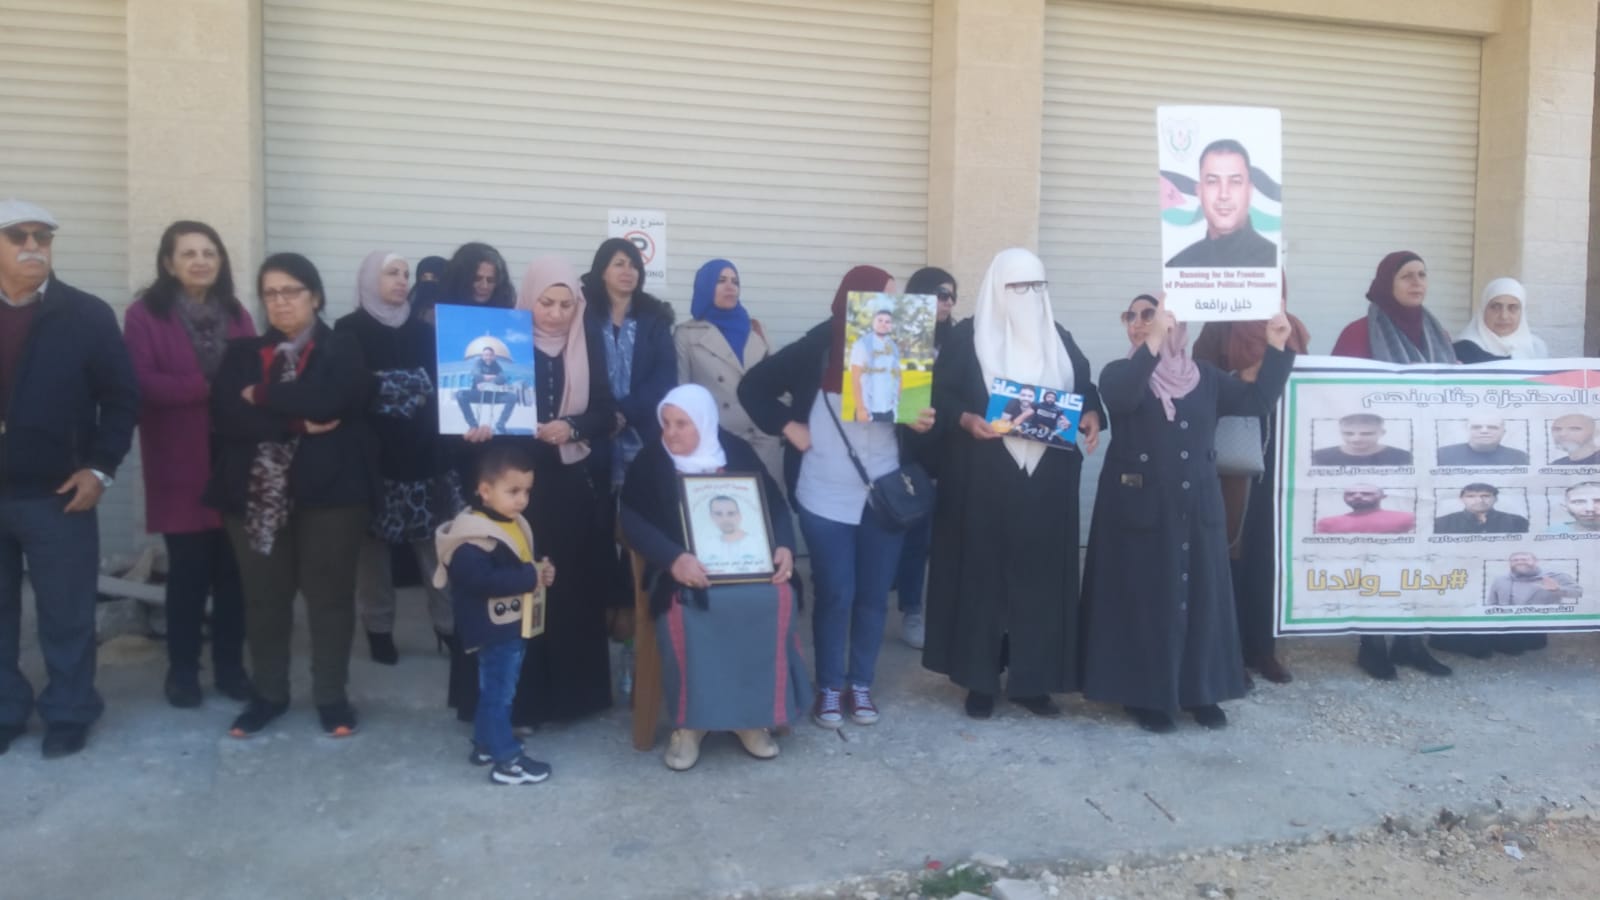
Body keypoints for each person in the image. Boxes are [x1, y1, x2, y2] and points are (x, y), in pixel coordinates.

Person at [1080, 293, 1292, 733]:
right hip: (1138, 511)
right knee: (1145, 600)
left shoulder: (1205, 377)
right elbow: (1122, 398)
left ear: (1177, 324)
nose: (1139, 322)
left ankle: (1201, 692)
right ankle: (1146, 697)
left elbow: (1255, 402)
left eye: (1150, 315)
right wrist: (1152, 343)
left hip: (1197, 508)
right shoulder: (1119, 372)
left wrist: (1276, 347)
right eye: (1132, 315)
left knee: (1200, 600)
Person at [738, 265, 936, 729]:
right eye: (883, 297)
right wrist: (788, 426)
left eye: (896, 299)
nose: (892, 308)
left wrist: (921, 421)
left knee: (873, 594)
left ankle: (860, 683)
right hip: (825, 492)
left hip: (884, 494)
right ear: (855, 299)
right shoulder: (818, 346)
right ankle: (829, 685)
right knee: (836, 592)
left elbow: (925, 415)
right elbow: (752, 387)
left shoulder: (906, 344)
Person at [922, 248, 1104, 719]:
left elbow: (1085, 387)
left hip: (1046, 481)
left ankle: (1032, 681)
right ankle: (979, 680)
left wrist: (1091, 414)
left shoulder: (1058, 337)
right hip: (982, 476)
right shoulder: (968, 338)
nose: (1029, 295)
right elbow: (937, 394)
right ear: (998, 288)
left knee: (1039, 581)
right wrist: (965, 419)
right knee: (982, 579)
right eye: (1018, 286)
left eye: (1037, 285)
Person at [207, 253, 377, 739]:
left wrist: (262, 396)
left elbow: (332, 401)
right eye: (271, 293)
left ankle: (331, 697)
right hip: (255, 497)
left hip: (332, 495)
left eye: (292, 291)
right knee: (264, 599)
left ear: (315, 296)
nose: (280, 302)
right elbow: (225, 417)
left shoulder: (343, 346)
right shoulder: (243, 354)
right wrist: (296, 423)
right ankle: (269, 694)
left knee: (330, 599)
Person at [449, 256, 619, 729]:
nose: (557, 314)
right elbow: (468, 406)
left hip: (564, 489)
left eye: (566, 304)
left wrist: (572, 426)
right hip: (508, 487)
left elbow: (607, 412)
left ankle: (566, 700)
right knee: (505, 586)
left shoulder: (587, 342)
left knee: (562, 590)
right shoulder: (505, 340)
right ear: (529, 299)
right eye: (546, 303)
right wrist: (476, 432)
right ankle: (511, 706)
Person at [0, 199, 138, 759]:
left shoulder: (85, 315)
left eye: (43, 236)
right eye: (18, 235)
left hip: (57, 495)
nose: (33, 246)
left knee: (66, 615)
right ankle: (5, 710)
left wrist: (100, 468)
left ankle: (69, 711)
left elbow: (122, 398)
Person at [620, 384, 808, 770]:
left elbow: (773, 502)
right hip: (681, 572)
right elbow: (631, 520)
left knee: (773, 597)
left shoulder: (734, 450)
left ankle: (751, 719)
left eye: (682, 424)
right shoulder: (652, 460)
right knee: (689, 605)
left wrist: (785, 546)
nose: (671, 433)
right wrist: (673, 559)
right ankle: (691, 726)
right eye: (666, 423)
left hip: (745, 566)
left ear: (703, 423)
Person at [124, 220, 256, 708]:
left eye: (209, 252)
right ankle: (182, 672)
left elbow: (255, 373)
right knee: (188, 573)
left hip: (235, 457)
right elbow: (140, 381)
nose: (200, 261)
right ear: (168, 263)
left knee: (233, 573)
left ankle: (230, 668)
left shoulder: (236, 312)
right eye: (188, 253)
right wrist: (208, 390)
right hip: (179, 460)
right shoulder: (144, 315)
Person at [1330, 251, 1456, 679]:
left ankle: (1410, 641)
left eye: (1422, 274)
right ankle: (1372, 644)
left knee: (1420, 549)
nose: (1417, 282)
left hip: (1426, 462)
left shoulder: (1438, 333)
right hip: (1377, 462)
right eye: (1407, 276)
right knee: (1376, 550)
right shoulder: (1358, 333)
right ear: (1387, 282)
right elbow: (1337, 395)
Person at [334, 251, 455, 665]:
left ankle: (447, 627)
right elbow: (353, 391)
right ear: (371, 279)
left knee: (436, 549)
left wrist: (384, 386)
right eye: (391, 273)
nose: (401, 280)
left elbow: (439, 387)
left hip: (424, 454)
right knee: (374, 557)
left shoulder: (425, 332)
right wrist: (409, 386)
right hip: (374, 459)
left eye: (405, 273)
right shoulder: (348, 329)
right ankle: (379, 630)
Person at [1191, 286, 1311, 685]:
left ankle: (1263, 648)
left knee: (1269, 551)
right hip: (1234, 457)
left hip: (1283, 449)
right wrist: (1240, 378)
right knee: (1232, 551)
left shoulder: (1292, 327)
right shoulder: (1220, 329)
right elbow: (1197, 381)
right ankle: (1230, 652)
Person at [434, 444, 556, 786]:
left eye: (527, 491)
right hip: (493, 629)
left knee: (495, 689)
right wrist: (529, 577)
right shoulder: (471, 536)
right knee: (500, 693)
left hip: (510, 624)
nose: (522, 500)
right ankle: (507, 760)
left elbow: (520, 563)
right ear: (484, 490)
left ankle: (485, 744)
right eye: (513, 491)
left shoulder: (511, 522)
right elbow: (479, 580)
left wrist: (540, 572)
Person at [891, 267, 959, 650]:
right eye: (939, 294)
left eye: (951, 296)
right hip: (908, 451)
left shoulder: (961, 339)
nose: (947, 303)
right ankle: (912, 611)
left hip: (952, 449)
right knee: (915, 537)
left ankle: (943, 613)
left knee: (947, 539)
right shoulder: (901, 336)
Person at [674, 258, 781, 484]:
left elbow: (778, 382)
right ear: (705, 286)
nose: (730, 287)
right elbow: (682, 394)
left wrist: (781, 424)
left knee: (768, 503)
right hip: (720, 442)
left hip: (764, 439)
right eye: (721, 280)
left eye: (735, 281)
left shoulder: (756, 328)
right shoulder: (686, 334)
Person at [581, 237, 677, 487]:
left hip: (644, 427)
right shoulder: (582, 315)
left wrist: (624, 412)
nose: (628, 271)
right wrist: (605, 416)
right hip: (594, 428)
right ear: (602, 271)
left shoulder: (655, 317)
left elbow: (665, 376)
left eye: (634, 265)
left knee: (643, 497)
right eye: (619, 264)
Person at [1164, 139, 1278, 268]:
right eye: (1212, 182)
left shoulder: (1273, 262)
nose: (1223, 194)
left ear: (1249, 191)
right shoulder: (1178, 265)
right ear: (1200, 192)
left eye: (1235, 182)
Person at [1454, 277, 1548, 364]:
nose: (1504, 316)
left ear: (1522, 312)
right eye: (1496, 307)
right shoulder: (1461, 350)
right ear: (1483, 310)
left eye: (1513, 307)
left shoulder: (1536, 348)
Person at [849, 307, 901, 422]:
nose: (883, 324)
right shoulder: (862, 344)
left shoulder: (893, 346)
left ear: (891, 326)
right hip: (868, 411)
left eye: (887, 322)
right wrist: (860, 409)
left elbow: (897, 375)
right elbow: (855, 379)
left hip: (889, 410)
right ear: (873, 322)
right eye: (880, 320)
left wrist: (896, 399)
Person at [454, 345, 516, 433]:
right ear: (482, 356)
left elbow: (502, 378)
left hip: (493, 395)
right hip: (478, 394)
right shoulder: (478, 363)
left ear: (494, 356)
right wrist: (493, 377)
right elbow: (477, 376)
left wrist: (486, 379)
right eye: (486, 355)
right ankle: (473, 425)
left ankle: (500, 424)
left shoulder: (496, 365)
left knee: (512, 397)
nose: (488, 357)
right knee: (460, 394)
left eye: (490, 355)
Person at [1311, 413, 1413, 466]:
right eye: (1348, 433)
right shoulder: (1318, 456)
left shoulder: (1404, 457)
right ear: (1340, 432)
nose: (1356, 439)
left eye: (1366, 434)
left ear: (1382, 433)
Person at [438, 242, 515, 309]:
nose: (484, 286)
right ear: (460, 278)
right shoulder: (438, 309)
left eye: (491, 280)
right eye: (477, 279)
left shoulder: (506, 311)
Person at [1487, 553, 1582, 606]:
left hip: (1545, 624)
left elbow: (1578, 592)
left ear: (1535, 561)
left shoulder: (1555, 576)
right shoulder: (1500, 580)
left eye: (1524, 559)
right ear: (1510, 563)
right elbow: (1492, 604)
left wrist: (1558, 589)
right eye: (1515, 560)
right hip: (1511, 626)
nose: (1520, 562)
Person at [1313, 485, 1416, 534]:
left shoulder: (1407, 518)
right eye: (1350, 494)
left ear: (1383, 497)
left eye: (1366, 493)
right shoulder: (1327, 523)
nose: (1357, 496)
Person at [1436, 415, 1529, 466]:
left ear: (1503, 432)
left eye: (1492, 427)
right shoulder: (1442, 454)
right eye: (1476, 427)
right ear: (1466, 431)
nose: (1484, 431)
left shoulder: (1520, 457)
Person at [1432, 484, 1527, 534]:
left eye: (1485, 496)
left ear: (1495, 499)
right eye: (1471, 496)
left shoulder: (1517, 521)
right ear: (1461, 499)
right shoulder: (1441, 523)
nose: (1479, 500)